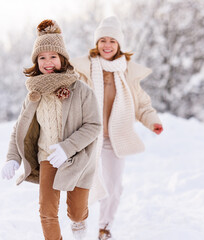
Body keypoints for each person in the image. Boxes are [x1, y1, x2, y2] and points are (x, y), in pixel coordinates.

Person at [1, 19, 101, 240]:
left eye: (53, 56)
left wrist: (67, 148)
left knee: (75, 212)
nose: (48, 62)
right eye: (42, 57)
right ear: (36, 62)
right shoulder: (34, 94)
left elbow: (94, 125)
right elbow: (20, 128)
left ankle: (80, 221)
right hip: (47, 158)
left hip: (78, 158)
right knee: (47, 213)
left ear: (62, 59)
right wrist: (12, 158)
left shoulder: (81, 90)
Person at [70, 16, 163, 240]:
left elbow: (141, 104)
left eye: (112, 40)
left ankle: (104, 228)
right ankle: (79, 222)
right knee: (83, 184)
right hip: (88, 138)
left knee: (114, 188)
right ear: (96, 44)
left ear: (119, 44)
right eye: (102, 40)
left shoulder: (126, 72)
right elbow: (68, 92)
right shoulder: (84, 70)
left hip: (114, 140)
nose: (107, 45)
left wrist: (153, 121)